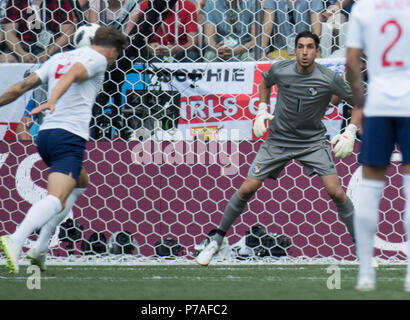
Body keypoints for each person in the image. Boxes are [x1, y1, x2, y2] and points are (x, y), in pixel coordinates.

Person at [0, 26, 128, 273]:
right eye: (117, 55)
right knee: (56, 198)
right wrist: (52, 100)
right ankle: (17, 239)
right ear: (112, 50)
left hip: (46, 136)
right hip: (68, 136)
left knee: (80, 182)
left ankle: (40, 249)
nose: (114, 59)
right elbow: (73, 74)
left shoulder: (58, 58)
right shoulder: (97, 59)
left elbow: (21, 86)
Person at [196, 31, 359, 267]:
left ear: (317, 51)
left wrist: (350, 131)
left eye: (310, 47)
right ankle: (216, 240)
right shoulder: (281, 69)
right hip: (278, 141)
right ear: (294, 50)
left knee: (337, 192)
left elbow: (357, 104)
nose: (305, 52)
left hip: (311, 142)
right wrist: (262, 109)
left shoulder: (328, 78)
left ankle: (361, 249)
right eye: (300, 47)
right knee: (247, 189)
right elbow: (264, 84)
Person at [345, 0, 410, 291]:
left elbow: (351, 63)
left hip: (379, 105)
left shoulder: (364, 7)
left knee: (371, 188)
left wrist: (360, 103)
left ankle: (365, 272)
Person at [0, 0, 76, 63]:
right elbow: (9, 32)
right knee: (4, 59)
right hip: (22, 45)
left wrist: (47, 53)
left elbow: (68, 33)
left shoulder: (59, 1)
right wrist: (21, 54)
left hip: (52, 45)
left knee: (65, 60)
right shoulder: (16, 1)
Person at [124, 0, 200, 62]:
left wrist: (176, 49)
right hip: (153, 53)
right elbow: (128, 38)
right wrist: (147, 48)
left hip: (179, 52)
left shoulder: (187, 6)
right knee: (153, 58)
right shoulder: (145, 6)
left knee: (192, 55)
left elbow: (193, 43)